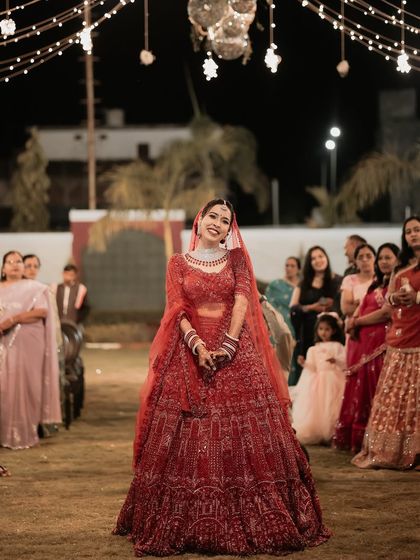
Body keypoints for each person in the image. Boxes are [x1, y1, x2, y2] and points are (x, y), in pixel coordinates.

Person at [113, 199, 330, 556]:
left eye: (225, 220)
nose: (217, 223)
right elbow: (177, 308)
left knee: (247, 429)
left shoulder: (237, 260)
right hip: (188, 353)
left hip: (237, 351)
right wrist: (197, 345)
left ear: (230, 230)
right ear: (199, 222)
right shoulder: (176, 263)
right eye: (212, 216)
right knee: (189, 430)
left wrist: (228, 345)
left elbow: (243, 300)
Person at [352, 216, 420, 470]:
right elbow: (389, 301)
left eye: (417, 230)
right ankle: (395, 450)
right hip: (401, 339)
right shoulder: (401, 269)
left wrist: (417, 296)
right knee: (397, 399)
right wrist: (396, 296)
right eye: (409, 231)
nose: (413, 234)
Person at [333, 243, 399, 452]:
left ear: (398, 259)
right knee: (360, 392)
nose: (384, 262)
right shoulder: (376, 285)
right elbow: (355, 308)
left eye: (388, 257)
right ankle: (361, 441)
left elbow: (386, 313)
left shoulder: (396, 285)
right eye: (382, 258)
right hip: (361, 344)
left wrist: (357, 322)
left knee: (377, 390)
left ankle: (382, 442)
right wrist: (352, 321)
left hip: (382, 345)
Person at [0, 251, 61, 449]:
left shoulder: (35, 288)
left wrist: (13, 320)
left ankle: (23, 432)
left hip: (27, 345)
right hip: (2, 344)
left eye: (18, 261)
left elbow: (42, 311)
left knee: (25, 386)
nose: (15, 264)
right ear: (3, 268)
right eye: (10, 262)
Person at [290, 246, 342, 384]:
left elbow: (344, 307)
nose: (318, 260)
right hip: (308, 335)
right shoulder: (304, 283)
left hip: (332, 336)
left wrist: (333, 306)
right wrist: (312, 307)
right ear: (309, 262)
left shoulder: (338, 280)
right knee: (310, 377)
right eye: (313, 258)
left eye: (321, 256)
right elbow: (293, 307)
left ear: (326, 258)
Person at [292, 313, 346, 445]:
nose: (324, 332)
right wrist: (304, 363)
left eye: (327, 329)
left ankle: (332, 432)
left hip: (334, 379)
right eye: (321, 329)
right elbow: (312, 368)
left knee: (332, 404)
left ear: (333, 330)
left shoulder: (337, 346)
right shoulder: (313, 349)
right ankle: (320, 431)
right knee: (320, 406)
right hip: (319, 382)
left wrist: (336, 360)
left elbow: (345, 361)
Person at [265, 256, 301, 334]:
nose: (289, 268)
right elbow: (267, 306)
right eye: (287, 265)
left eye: (292, 266)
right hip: (277, 326)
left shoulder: (303, 287)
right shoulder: (275, 285)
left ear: (298, 269)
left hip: (298, 325)